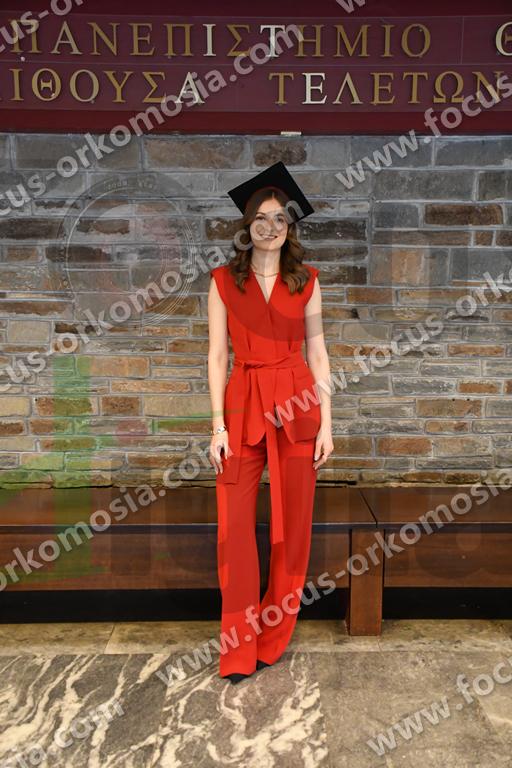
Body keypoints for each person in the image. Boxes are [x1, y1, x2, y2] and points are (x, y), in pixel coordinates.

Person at [207, 161, 333, 684]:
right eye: (261, 217)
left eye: (280, 217)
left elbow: (319, 354)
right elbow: (217, 356)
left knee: (292, 532)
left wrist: (328, 425)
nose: (271, 226)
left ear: (290, 226)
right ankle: (238, 647)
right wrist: (217, 428)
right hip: (242, 407)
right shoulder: (222, 282)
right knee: (234, 533)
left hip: (298, 407)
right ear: (247, 225)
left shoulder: (307, 281)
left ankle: (273, 638)